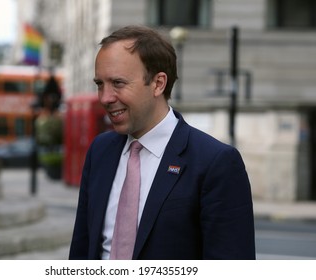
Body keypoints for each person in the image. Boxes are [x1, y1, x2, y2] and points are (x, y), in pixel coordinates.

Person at [69, 25, 255, 260]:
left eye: (118, 83)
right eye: (99, 84)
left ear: (158, 83)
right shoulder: (100, 151)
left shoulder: (215, 163)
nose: (105, 97)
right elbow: (81, 251)